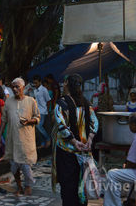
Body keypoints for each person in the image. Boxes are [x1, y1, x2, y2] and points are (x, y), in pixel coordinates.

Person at [51, 74, 98, 206]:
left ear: (66, 84)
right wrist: (89, 139)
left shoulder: (62, 103)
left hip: (67, 152)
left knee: (68, 186)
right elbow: (95, 121)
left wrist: (73, 142)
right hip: (84, 151)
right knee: (82, 184)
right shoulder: (86, 102)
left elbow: (61, 125)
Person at [0, 77, 40, 196]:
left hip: (26, 140)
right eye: (13, 87)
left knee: (26, 166)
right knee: (14, 166)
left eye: (17, 87)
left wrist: (28, 122)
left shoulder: (31, 101)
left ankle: (28, 185)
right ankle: (19, 186)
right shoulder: (8, 101)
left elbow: (37, 118)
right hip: (12, 139)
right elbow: (4, 120)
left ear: (23, 87)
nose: (15, 89)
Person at [33, 75, 51, 148]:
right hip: (36, 111)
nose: (35, 84)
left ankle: (47, 138)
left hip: (43, 111)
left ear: (40, 82)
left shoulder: (44, 90)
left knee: (38, 126)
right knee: (37, 128)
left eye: (36, 83)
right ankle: (42, 143)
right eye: (34, 83)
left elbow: (48, 100)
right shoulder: (34, 90)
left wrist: (47, 109)